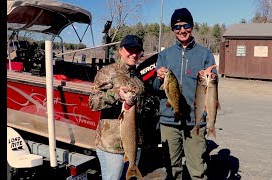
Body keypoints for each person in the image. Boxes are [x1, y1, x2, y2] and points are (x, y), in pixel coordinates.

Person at [153, 8, 217, 180]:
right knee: (172, 169)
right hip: (169, 119)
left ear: (192, 26)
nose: (182, 30)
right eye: (177, 27)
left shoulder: (205, 54)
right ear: (173, 30)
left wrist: (212, 78)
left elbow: (213, 87)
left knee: (197, 169)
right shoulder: (164, 55)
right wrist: (158, 78)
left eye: (186, 25)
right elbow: (153, 87)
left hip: (194, 121)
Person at [89, 34, 145, 180]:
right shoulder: (107, 72)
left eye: (137, 51)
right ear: (120, 51)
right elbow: (93, 102)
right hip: (112, 146)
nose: (134, 54)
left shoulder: (137, 75)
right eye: (130, 49)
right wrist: (115, 94)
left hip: (134, 143)